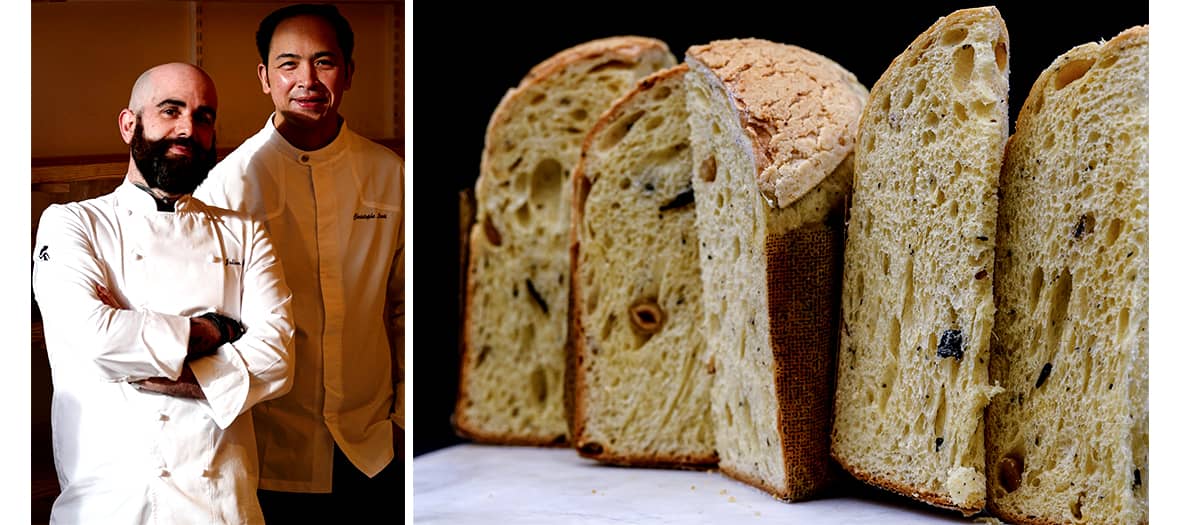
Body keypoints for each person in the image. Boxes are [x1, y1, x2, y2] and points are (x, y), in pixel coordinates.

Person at [32, 62, 295, 523]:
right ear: (129, 124)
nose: (188, 129)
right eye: (170, 110)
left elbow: (278, 357)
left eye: (203, 116)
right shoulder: (73, 223)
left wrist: (152, 370)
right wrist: (217, 330)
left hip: (223, 505)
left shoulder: (246, 234)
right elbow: (96, 338)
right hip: (107, 504)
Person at [194, 4, 404, 519]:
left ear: (349, 72)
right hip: (270, 448)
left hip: (374, 444)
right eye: (288, 64)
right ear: (265, 77)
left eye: (324, 62)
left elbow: (407, 307)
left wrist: (405, 416)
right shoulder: (228, 183)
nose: (306, 80)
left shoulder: (390, 174)